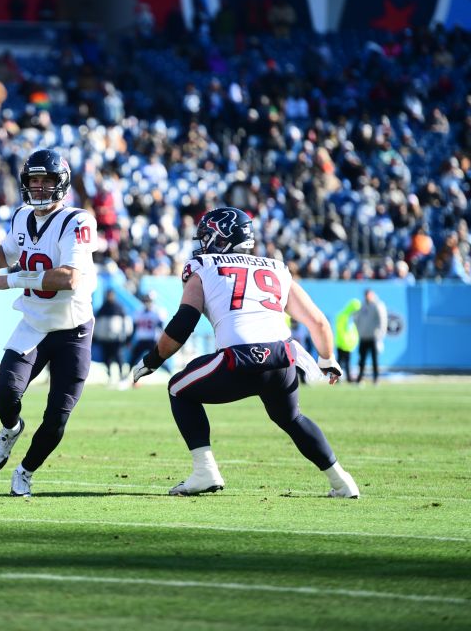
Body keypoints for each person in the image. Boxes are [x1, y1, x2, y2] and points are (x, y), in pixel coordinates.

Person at [129, 207, 359, 499]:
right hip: (282, 359)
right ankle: (342, 482)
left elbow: (184, 322)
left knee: (178, 388)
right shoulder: (275, 267)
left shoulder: (204, 265)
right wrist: (327, 360)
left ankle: (205, 471)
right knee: (291, 417)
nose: (203, 243)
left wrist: (152, 360)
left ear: (223, 238)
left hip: (238, 361)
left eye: (208, 236)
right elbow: (318, 322)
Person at [0, 148, 99, 497]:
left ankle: (25, 471)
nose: (40, 187)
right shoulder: (21, 216)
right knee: (5, 395)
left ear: (61, 183)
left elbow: (69, 278)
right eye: (34, 180)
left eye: (46, 180)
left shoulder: (78, 221)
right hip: (34, 325)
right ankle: (11, 429)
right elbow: (8, 251)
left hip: (73, 330)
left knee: (57, 417)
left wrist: (9, 280)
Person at [93, 289, 133, 386]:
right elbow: (97, 323)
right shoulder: (102, 308)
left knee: (118, 357)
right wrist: (95, 335)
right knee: (106, 358)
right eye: (108, 295)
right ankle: (110, 376)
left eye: (111, 295)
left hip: (117, 338)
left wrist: (127, 336)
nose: (109, 297)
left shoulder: (119, 307)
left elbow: (126, 322)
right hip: (105, 339)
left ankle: (121, 376)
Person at [354, 289, 387, 384]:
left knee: (374, 360)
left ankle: (376, 379)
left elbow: (382, 321)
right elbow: (356, 319)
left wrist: (380, 335)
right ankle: (360, 379)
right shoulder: (362, 305)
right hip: (363, 337)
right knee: (361, 360)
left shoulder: (377, 305)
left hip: (373, 337)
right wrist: (359, 331)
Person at [130, 291, 168, 372]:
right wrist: (129, 339)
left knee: (159, 359)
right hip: (141, 339)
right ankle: (126, 376)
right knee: (133, 358)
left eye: (149, 300)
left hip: (152, 340)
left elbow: (161, 327)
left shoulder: (156, 312)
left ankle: (170, 373)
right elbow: (134, 327)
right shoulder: (139, 312)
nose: (147, 302)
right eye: (146, 300)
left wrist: (162, 339)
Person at [333, 299, 360, 383]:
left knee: (342, 362)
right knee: (342, 362)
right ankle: (342, 378)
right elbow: (344, 331)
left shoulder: (344, 316)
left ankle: (342, 378)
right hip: (344, 343)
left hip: (344, 343)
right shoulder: (346, 317)